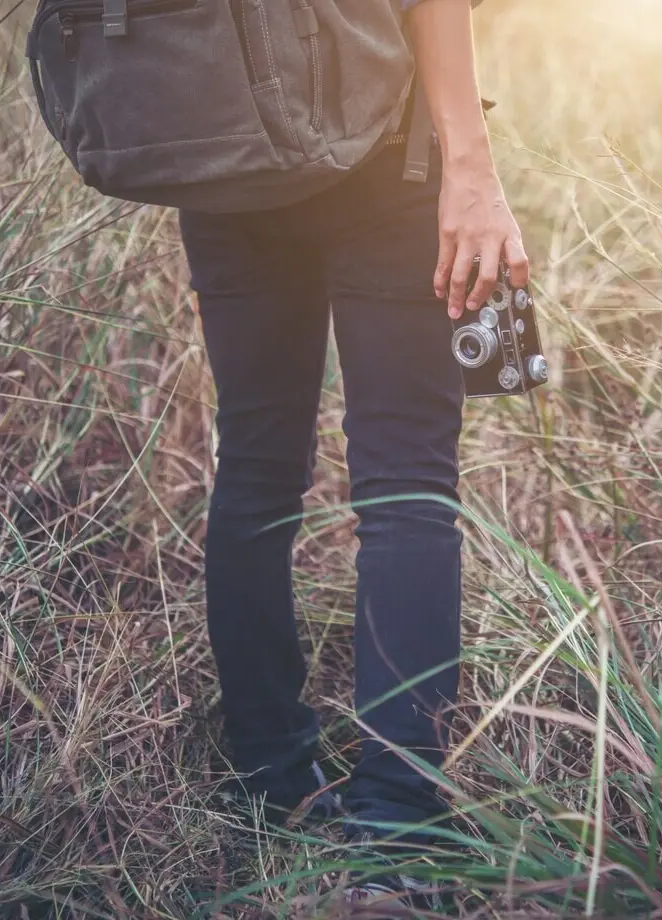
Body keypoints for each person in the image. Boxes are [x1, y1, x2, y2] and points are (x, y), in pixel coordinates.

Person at [179, 0, 527, 871]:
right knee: (407, 487)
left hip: (223, 158)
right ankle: (398, 827)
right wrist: (472, 168)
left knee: (254, 471)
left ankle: (269, 776)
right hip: (382, 157)